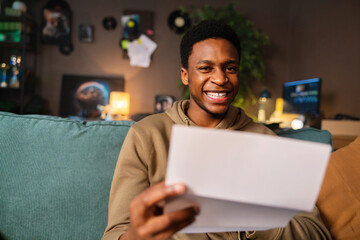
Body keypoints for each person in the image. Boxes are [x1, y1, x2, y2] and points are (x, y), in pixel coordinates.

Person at [102, 20, 331, 240]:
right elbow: (115, 233)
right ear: (185, 75)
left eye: (230, 68)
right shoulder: (146, 135)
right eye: (205, 68)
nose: (220, 79)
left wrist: (252, 216)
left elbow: (316, 232)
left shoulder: (264, 139)